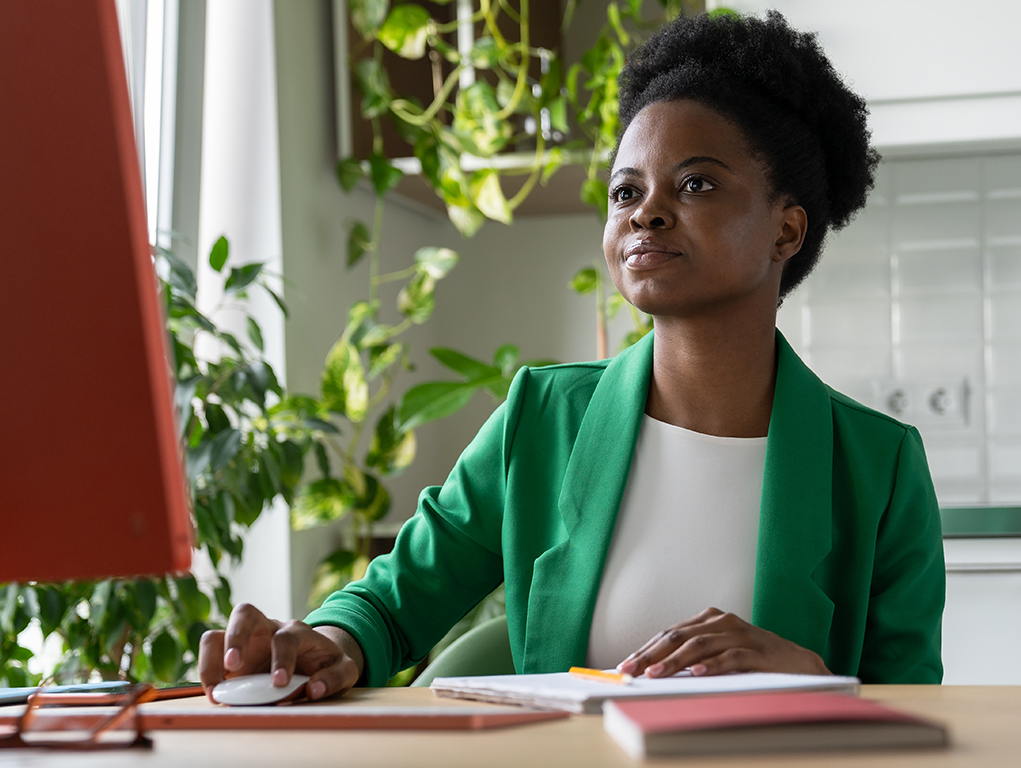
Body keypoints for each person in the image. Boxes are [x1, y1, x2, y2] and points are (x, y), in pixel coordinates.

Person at [199, 10, 945, 702]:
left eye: (695, 183)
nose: (646, 211)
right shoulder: (540, 418)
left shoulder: (878, 468)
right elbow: (391, 605)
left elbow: (919, 711)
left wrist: (813, 679)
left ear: (786, 232)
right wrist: (331, 642)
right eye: (626, 192)